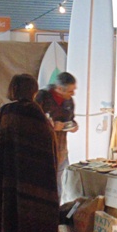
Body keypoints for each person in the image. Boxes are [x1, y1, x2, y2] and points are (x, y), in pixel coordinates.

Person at [0, 73, 64, 232]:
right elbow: (49, 146)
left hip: (8, 179)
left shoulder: (3, 113)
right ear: (33, 91)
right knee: (38, 218)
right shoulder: (36, 114)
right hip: (36, 180)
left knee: (12, 218)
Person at [34, 71, 77, 200]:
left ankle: (57, 209)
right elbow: (33, 121)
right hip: (43, 149)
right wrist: (51, 126)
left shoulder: (69, 101)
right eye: (70, 91)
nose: (73, 94)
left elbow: (71, 119)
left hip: (61, 150)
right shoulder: (42, 97)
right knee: (44, 185)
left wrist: (73, 125)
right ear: (59, 89)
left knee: (60, 185)